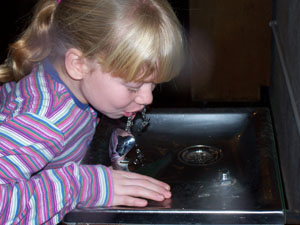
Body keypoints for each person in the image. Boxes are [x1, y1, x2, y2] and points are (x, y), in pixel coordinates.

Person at [0, 0, 185, 224]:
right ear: (78, 65)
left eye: (153, 84)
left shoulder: (70, 81)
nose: (148, 98)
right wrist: (82, 185)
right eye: (133, 87)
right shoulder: (45, 120)